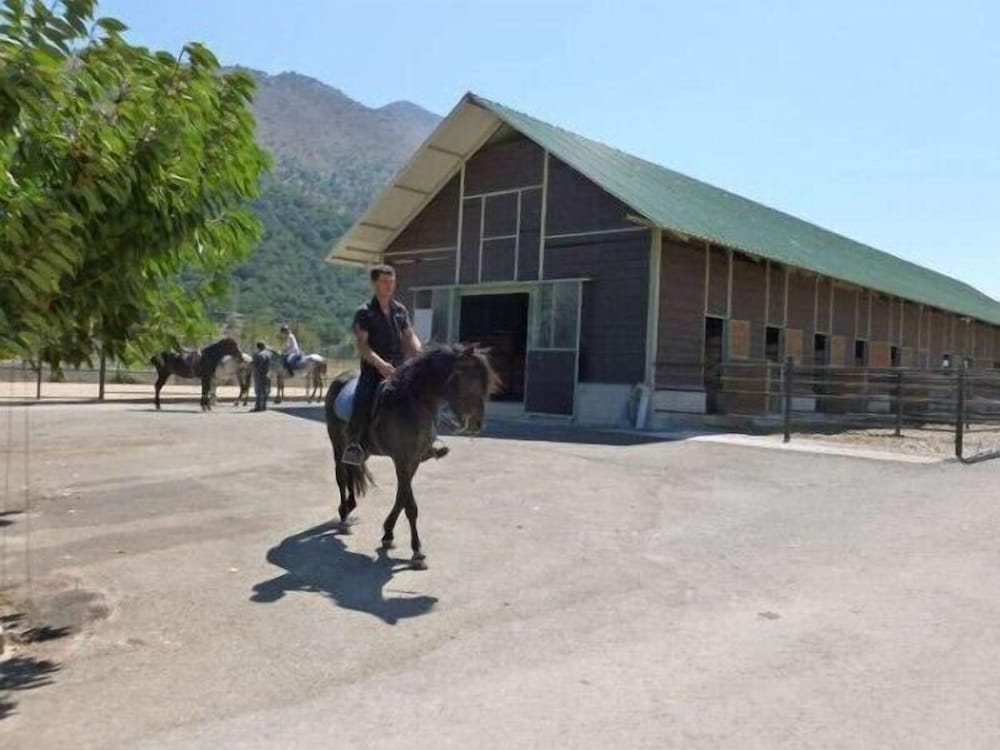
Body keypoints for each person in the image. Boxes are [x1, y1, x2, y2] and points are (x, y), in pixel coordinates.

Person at [341, 264, 422, 466]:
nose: (389, 286)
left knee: (422, 395)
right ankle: (356, 444)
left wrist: (420, 354)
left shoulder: (400, 310)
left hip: (398, 369)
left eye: (392, 282)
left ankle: (426, 438)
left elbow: (410, 336)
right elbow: (363, 346)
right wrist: (381, 365)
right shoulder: (364, 312)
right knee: (363, 397)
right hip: (373, 370)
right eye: (385, 282)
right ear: (374, 283)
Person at [251, 342, 273, 412]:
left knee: (259, 391)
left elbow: (256, 365)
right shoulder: (269, 354)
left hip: (259, 375)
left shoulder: (257, 355)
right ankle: (264, 406)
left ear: (258, 347)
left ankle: (258, 407)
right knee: (266, 390)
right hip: (268, 374)